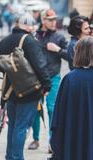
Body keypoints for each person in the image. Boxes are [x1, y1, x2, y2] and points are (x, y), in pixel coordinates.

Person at [0, 13, 51, 160]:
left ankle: (10, 159)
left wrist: (13, 72)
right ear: (29, 27)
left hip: (10, 90)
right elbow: (40, 65)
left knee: (13, 125)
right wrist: (47, 85)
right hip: (29, 90)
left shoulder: (4, 40)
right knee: (21, 126)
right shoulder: (30, 41)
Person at [28, 9, 68, 152]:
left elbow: (70, 56)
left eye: (55, 19)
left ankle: (52, 141)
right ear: (43, 20)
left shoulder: (59, 37)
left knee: (52, 109)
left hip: (53, 77)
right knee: (35, 109)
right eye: (50, 19)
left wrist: (57, 50)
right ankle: (36, 139)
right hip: (36, 78)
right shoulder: (34, 36)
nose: (53, 22)